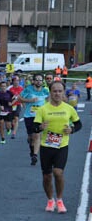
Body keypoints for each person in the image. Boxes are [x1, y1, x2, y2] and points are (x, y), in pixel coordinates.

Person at [34, 80, 82, 213]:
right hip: (46, 146)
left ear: (63, 93)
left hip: (62, 145)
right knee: (47, 176)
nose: (57, 93)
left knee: (58, 172)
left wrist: (71, 130)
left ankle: (59, 200)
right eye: (54, 91)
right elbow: (34, 127)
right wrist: (40, 127)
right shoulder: (43, 109)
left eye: (60, 91)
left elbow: (78, 124)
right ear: (50, 92)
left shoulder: (69, 108)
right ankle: (50, 200)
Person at [19, 74, 49, 166]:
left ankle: (35, 155)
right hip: (29, 115)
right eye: (37, 80)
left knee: (37, 135)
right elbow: (19, 98)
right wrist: (30, 101)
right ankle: (32, 151)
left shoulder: (45, 90)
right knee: (31, 137)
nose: (39, 82)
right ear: (34, 81)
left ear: (42, 81)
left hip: (40, 117)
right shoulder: (28, 89)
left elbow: (49, 100)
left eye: (40, 80)